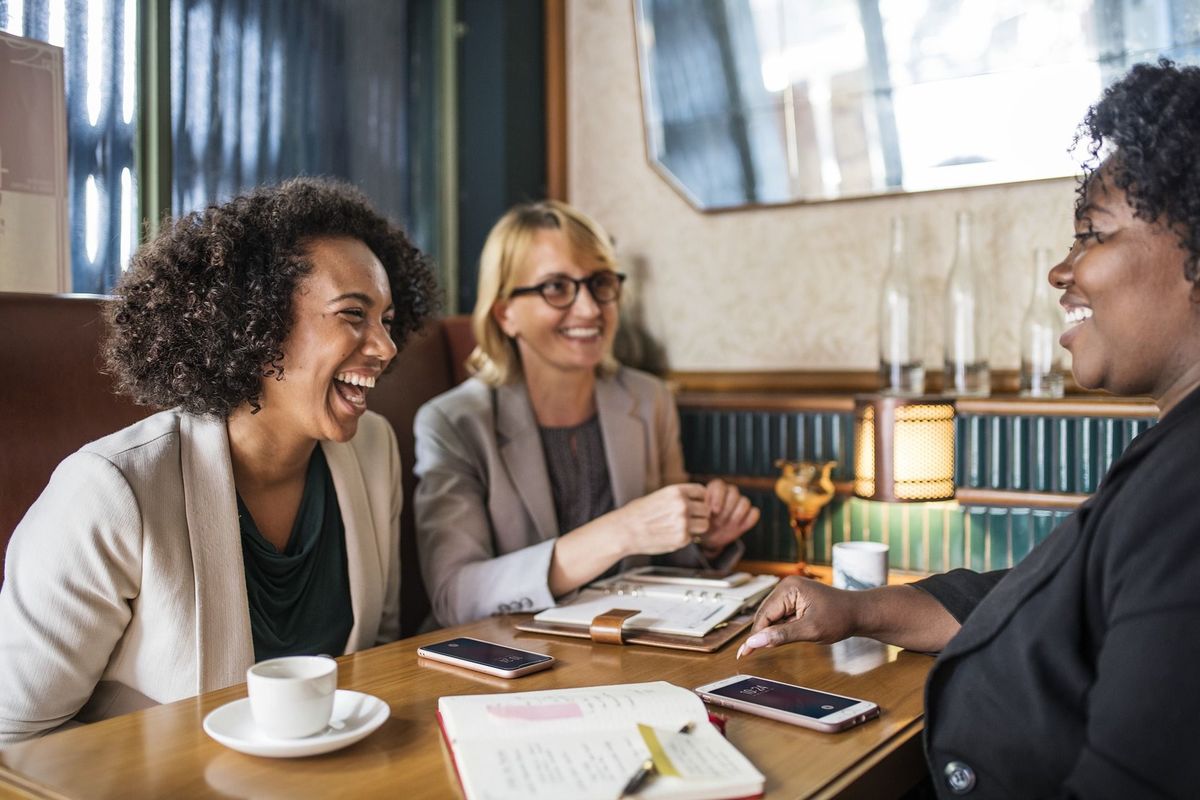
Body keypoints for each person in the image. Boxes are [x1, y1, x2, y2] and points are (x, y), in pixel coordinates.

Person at [739, 60, 1200, 798]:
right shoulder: (1171, 454)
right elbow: (1035, 598)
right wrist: (854, 609)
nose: (1061, 270)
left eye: (1092, 236)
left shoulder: (1188, 500)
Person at [0, 178, 438, 743]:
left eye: (386, 319)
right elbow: (12, 739)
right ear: (255, 323)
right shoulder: (110, 491)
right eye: (354, 314)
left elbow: (376, 656)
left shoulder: (373, 450)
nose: (385, 346)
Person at [414, 200, 759, 627]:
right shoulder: (453, 422)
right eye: (556, 287)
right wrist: (621, 531)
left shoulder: (649, 400)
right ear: (506, 314)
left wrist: (705, 539)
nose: (590, 309)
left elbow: (668, 563)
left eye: (599, 283)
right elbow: (454, 597)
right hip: (505, 659)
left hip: (629, 646)